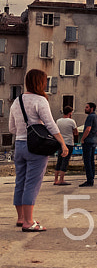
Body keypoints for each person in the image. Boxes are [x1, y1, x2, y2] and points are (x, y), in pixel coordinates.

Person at [8, 69, 69, 232]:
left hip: (19, 146)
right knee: (32, 184)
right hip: (35, 148)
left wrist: (23, 131)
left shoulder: (16, 101)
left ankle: (21, 218)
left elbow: (11, 128)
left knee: (20, 181)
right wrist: (62, 143)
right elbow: (50, 124)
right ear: (40, 82)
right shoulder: (40, 100)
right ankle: (29, 222)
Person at [52, 106, 77, 186]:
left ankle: (56, 179)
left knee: (59, 161)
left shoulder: (58, 121)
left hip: (60, 143)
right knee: (65, 161)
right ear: (70, 113)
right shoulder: (72, 121)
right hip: (69, 143)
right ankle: (61, 179)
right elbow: (76, 132)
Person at [78, 102, 97, 187]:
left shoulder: (90, 117)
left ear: (92, 108)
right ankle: (92, 178)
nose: (85, 108)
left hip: (88, 141)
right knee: (91, 160)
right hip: (94, 140)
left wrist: (82, 139)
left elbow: (88, 128)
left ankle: (89, 180)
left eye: (87, 107)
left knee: (87, 161)